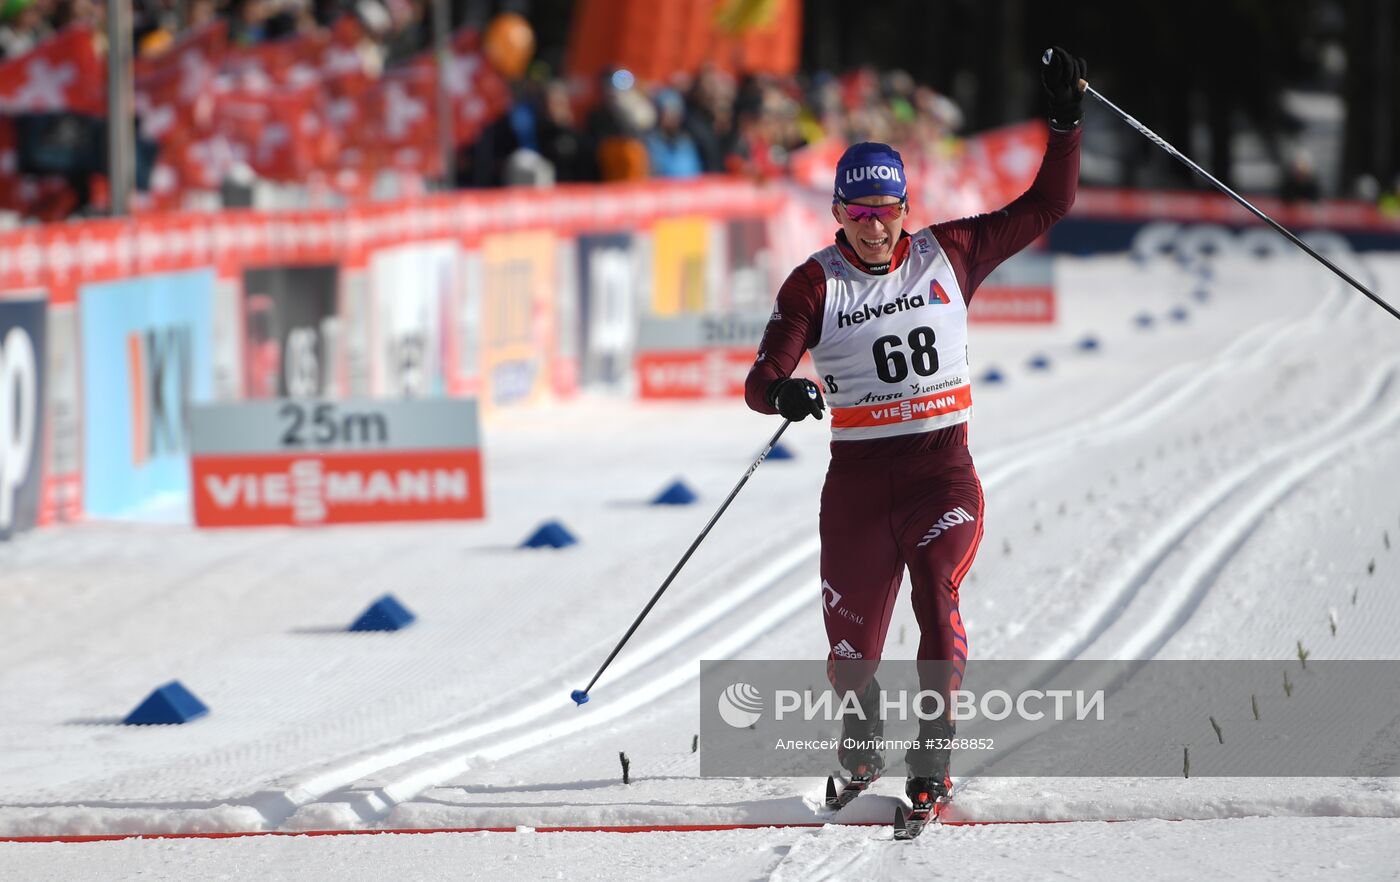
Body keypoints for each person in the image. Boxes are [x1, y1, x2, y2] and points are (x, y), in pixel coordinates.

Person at [744, 47, 1087, 806]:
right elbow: (761, 379)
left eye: (887, 212)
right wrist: (786, 398)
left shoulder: (949, 252)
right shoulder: (813, 282)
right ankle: (861, 753)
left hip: (940, 476)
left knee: (938, 590)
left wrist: (1064, 125)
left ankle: (933, 760)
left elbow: (1046, 207)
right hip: (859, 489)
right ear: (837, 213)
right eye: (859, 215)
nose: (874, 230)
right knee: (852, 662)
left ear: (907, 206)